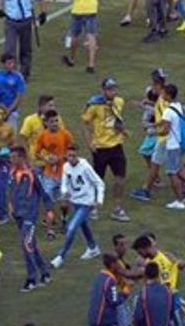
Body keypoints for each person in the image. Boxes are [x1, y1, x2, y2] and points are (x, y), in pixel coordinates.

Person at [82, 76, 131, 222]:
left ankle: (117, 208)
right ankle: (94, 207)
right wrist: (89, 143)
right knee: (98, 180)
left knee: (120, 177)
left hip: (116, 146)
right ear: (103, 90)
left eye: (114, 88)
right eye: (109, 89)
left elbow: (116, 121)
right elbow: (84, 124)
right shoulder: (94, 105)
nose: (112, 91)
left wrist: (123, 130)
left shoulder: (119, 102)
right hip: (101, 148)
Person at [52, 145, 104, 268]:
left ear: (77, 155)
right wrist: (64, 192)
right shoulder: (66, 167)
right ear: (66, 156)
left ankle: (61, 256)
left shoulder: (85, 167)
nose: (71, 158)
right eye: (69, 156)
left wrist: (99, 199)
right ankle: (93, 247)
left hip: (87, 202)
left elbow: (99, 183)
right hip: (75, 201)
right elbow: (64, 183)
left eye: (74, 156)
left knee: (71, 228)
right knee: (83, 225)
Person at [9, 146, 52, 290]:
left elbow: (43, 192)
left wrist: (49, 209)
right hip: (18, 215)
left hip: (30, 215)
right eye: (11, 157)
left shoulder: (32, 173)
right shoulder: (13, 172)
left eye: (14, 157)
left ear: (21, 157)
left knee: (25, 244)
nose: (12, 160)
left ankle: (31, 278)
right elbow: (12, 191)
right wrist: (10, 206)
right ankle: (45, 272)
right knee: (31, 244)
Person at [0, 0, 47, 79]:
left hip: (26, 22)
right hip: (11, 22)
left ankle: (24, 73)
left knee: (26, 49)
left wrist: (43, 13)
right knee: (10, 50)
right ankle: (11, 73)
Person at [34, 110, 73, 239]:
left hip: (64, 173)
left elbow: (72, 150)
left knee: (64, 202)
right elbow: (37, 152)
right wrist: (46, 158)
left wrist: (61, 158)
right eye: (52, 122)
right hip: (49, 174)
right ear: (46, 123)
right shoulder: (42, 136)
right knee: (48, 202)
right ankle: (50, 230)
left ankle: (64, 220)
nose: (55, 124)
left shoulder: (65, 134)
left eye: (56, 121)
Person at [62, 0, 103, 72]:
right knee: (91, 35)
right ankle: (91, 64)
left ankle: (72, 59)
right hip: (91, 9)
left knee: (75, 35)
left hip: (78, 9)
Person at [0, 53, 27, 127]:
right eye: (9, 63)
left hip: (12, 112)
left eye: (13, 63)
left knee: (10, 136)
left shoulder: (18, 77)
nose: (12, 65)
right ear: (3, 64)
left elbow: (18, 97)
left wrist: (8, 112)